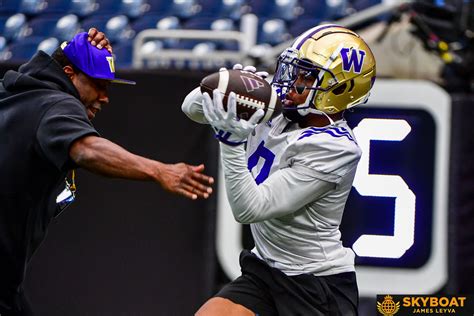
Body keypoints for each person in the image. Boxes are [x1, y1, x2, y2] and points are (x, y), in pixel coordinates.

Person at [0, 29, 214, 316]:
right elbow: (86, 150)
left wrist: (83, 51)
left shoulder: (19, 93)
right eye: (98, 84)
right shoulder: (56, 104)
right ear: (68, 74)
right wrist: (159, 170)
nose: (105, 97)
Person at [181, 24, 376, 315]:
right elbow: (190, 108)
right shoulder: (280, 107)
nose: (292, 81)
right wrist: (226, 87)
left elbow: (250, 209)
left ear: (338, 90)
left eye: (306, 77)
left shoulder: (335, 148)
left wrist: (231, 142)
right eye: (294, 70)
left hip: (316, 285)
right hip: (266, 269)